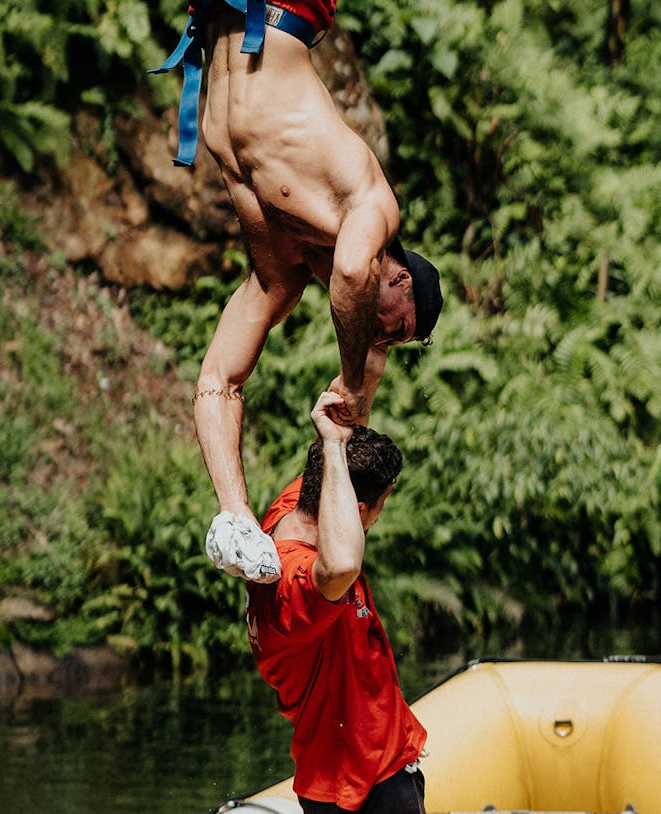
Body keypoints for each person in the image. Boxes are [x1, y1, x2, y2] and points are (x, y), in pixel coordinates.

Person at [150, 0, 444, 583]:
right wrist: (356, 380)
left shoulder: (281, 271)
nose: (386, 335)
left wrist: (238, 513)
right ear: (402, 277)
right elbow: (354, 275)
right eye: (398, 326)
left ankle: (232, 519)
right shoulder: (374, 210)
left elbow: (218, 380)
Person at [245, 390, 428, 813]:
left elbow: (343, 429)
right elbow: (342, 563)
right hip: (357, 786)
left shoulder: (292, 508)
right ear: (359, 511)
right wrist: (330, 442)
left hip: (366, 763)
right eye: (380, 508)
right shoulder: (297, 585)